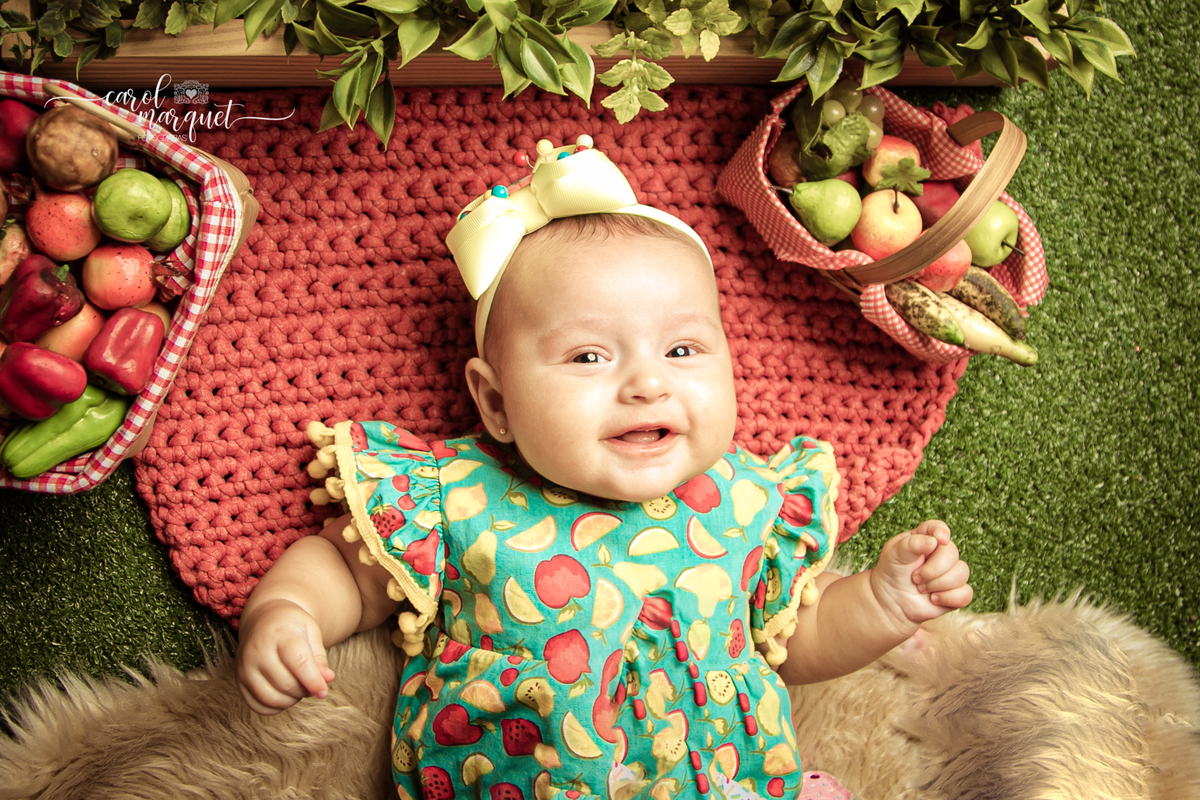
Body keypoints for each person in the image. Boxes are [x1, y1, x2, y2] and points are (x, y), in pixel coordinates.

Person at [236, 136, 973, 800]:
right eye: (590, 357)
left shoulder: (746, 501)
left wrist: (880, 603)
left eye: (682, 350)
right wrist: (288, 612)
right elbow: (344, 571)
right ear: (495, 403)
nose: (647, 385)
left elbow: (794, 641)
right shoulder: (458, 498)